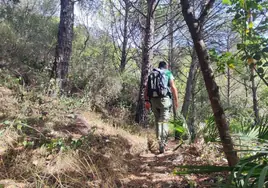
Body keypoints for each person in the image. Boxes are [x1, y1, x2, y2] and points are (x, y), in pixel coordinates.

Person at [145, 61, 179, 153]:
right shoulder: (168, 73)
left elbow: (146, 88)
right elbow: (173, 87)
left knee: (157, 122)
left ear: (159, 66)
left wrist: (147, 101)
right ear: (166, 66)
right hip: (165, 100)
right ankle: (162, 145)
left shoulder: (152, 73)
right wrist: (176, 100)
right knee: (164, 122)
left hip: (153, 100)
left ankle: (160, 142)